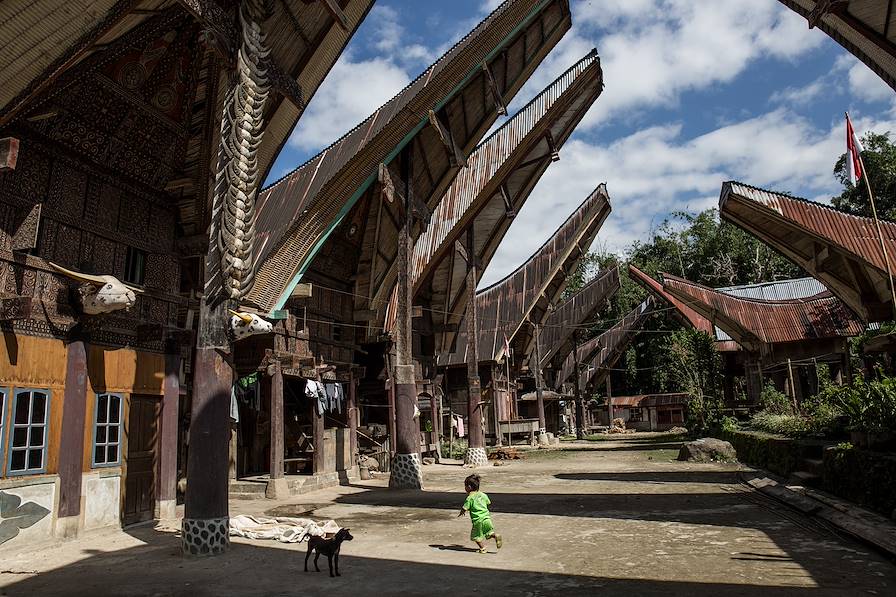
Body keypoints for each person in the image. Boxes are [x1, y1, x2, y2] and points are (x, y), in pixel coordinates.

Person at [458, 473, 502, 553]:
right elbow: (488, 502)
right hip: (487, 518)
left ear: (469, 487)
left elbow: (464, 508)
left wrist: (461, 513)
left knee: (476, 536)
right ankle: (495, 535)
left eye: (465, 486)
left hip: (478, 521)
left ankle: (483, 548)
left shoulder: (470, 498)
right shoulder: (483, 495)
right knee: (488, 532)